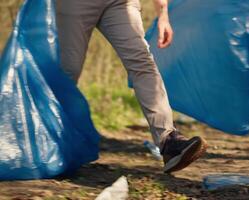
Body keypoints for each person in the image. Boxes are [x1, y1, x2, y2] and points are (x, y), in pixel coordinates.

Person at [55, 0, 207, 173]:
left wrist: (163, 14)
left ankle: (168, 141)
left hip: (120, 3)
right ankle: (50, 139)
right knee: (68, 69)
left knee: (142, 62)